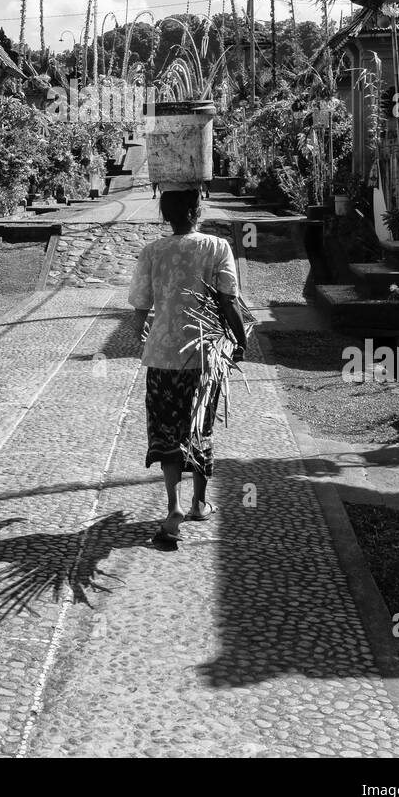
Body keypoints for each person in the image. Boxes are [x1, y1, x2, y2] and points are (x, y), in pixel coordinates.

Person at [128, 186, 254, 549]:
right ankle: (200, 502)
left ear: (166, 215)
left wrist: (140, 337)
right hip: (203, 354)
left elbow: (139, 305)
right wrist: (241, 340)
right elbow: (229, 300)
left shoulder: (153, 251)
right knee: (199, 426)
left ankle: (174, 507)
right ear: (198, 209)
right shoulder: (217, 248)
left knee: (168, 430)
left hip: (163, 357)